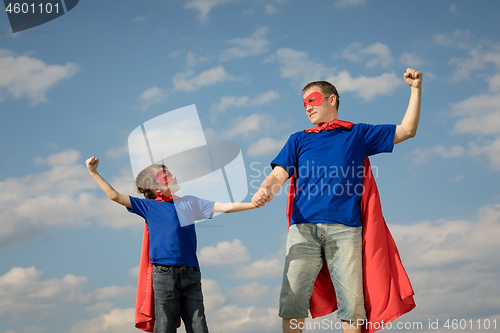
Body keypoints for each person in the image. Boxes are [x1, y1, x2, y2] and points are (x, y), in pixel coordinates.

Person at [252, 68, 422, 333]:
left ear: (332, 99)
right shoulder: (299, 139)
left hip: (345, 230)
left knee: (352, 306)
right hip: (303, 230)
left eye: (313, 100)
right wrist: (265, 189)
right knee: (293, 301)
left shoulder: (356, 134)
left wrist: (415, 90)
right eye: (304, 103)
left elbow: (407, 130)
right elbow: (279, 173)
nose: (307, 107)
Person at [86, 156, 258, 333]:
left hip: (191, 272)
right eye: (165, 176)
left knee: (198, 323)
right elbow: (114, 195)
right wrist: (94, 172)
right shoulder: (148, 207)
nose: (173, 176)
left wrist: (253, 204)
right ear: (155, 187)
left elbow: (224, 207)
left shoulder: (189, 203)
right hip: (164, 274)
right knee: (165, 325)